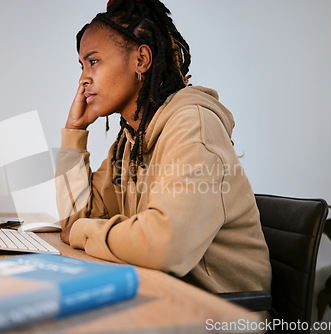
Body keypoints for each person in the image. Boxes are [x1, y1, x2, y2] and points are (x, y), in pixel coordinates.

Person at [55, 0, 271, 294]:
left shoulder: (193, 125)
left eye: (93, 61)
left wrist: (81, 231)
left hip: (220, 315)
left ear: (141, 60)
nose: (83, 79)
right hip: (162, 297)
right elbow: (76, 220)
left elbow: (165, 246)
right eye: (81, 66)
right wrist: (74, 131)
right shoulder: (130, 141)